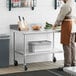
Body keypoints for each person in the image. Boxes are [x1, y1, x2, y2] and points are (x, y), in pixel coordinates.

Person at [53, 0, 76, 69]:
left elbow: (61, 16)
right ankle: (73, 63)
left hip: (68, 25)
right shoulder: (74, 3)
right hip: (74, 25)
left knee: (66, 45)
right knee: (72, 45)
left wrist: (55, 24)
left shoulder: (66, 5)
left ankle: (67, 65)